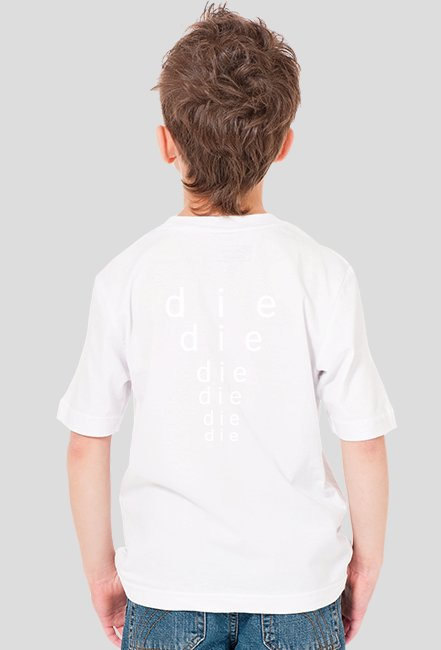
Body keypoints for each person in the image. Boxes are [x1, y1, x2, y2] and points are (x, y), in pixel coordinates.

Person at [56, 4, 397, 648]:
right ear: (284, 144)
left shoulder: (126, 276)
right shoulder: (323, 273)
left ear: (166, 143)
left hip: (166, 586)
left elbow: (86, 442)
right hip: (298, 589)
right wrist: (366, 564)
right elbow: (365, 439)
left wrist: (101, 574)